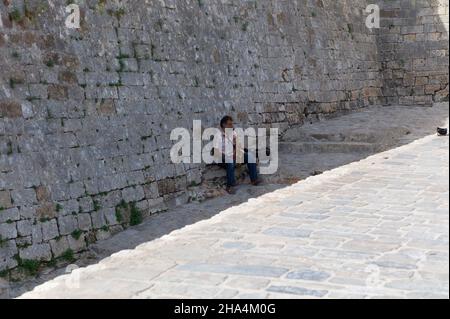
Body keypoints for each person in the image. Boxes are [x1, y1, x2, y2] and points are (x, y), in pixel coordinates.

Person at [213, 116, 261, 194]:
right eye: (229, 124)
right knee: (230, 161)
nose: (232, 126)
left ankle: (254, 179)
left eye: (232, 124)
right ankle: (230, 185)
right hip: (223, 158)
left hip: (234, 155)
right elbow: (216, 151)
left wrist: (236, 148)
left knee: (250, 156)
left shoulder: (234, 133)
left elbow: (239, 146)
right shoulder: (218, 136)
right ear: (224, 125)